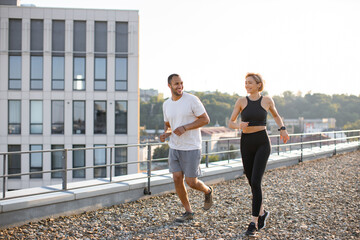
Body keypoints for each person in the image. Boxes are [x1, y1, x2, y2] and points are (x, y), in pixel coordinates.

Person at [228, 73, 289, 236]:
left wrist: (282, 129)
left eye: (250, 83)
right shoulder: (241, 101)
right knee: (251, 181)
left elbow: (276, 116)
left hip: (262, 142)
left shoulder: (267, 100)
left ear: (258, 84)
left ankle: (253, 222)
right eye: (245, 83)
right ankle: (262, 213)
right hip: (246, 142)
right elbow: (230, 122)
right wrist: (238, 125)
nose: (247, 85)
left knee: (256, 181)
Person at [160, 73, 213, 223]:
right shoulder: (166, 104)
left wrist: (185, 127)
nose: (180, 86)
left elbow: (205, 119)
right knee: (177, 178)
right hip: (175, 147)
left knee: (191, 181)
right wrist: (165, 134)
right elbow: (168, 124)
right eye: (176, 84)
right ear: (169, 86)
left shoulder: (192, 100)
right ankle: (188, 211)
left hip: (191, 147)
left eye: (181, 83)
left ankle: (207, 191)